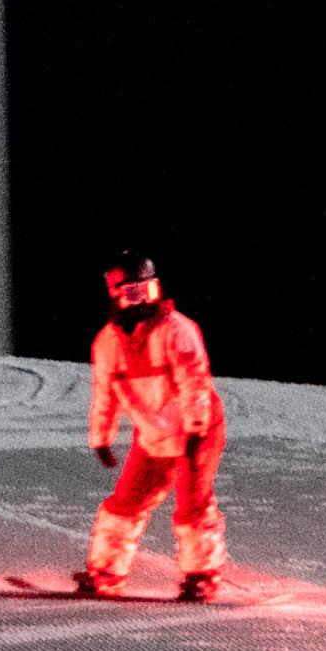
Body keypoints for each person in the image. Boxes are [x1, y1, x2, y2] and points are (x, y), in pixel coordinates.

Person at [78, 254, 227, 599]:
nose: (142, 301)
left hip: (197, 433)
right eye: (133, 293)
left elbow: (196, 382)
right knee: (125, 502)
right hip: (152, 434)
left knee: (193, 502)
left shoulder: (178, 330)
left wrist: (196, 426)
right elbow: (105, 393)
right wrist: (101, 437)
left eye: (149, 291)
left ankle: (201, 575)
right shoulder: (107, 342)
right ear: (116, 294)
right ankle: (106, 571)